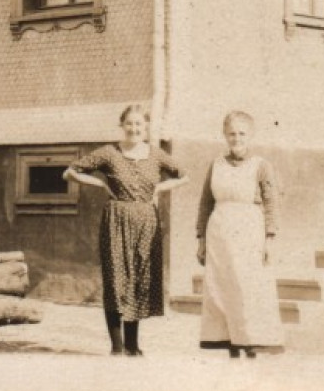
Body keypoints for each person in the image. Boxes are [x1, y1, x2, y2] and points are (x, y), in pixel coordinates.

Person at [65, 105, 187, 356]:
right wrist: (99, 182)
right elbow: (70, 172)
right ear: (122, 125)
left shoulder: (156, 154)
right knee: (116, 281)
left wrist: (160, 189)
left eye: (139, 125)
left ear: (146, 128)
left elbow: (184, 175)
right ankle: (117, 346)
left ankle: (133, 344)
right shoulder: (109, 153)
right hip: (116, 222)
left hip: (146, 222)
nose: (134, 129)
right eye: (129, 124)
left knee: (139, 280)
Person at [196, 111, 285, 357]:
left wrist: (270, 240)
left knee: (248, 288)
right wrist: (201, 240)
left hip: (249, 233)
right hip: (219, 234)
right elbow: (205, 203)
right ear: (225, 135)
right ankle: (231, 343)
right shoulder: (216, 165)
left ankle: (250, 342)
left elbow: (271, 203)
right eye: (232, 133)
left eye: (242, 133)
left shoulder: (261, 166)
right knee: (222, 288)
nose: (237, 138)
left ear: (251, 135)